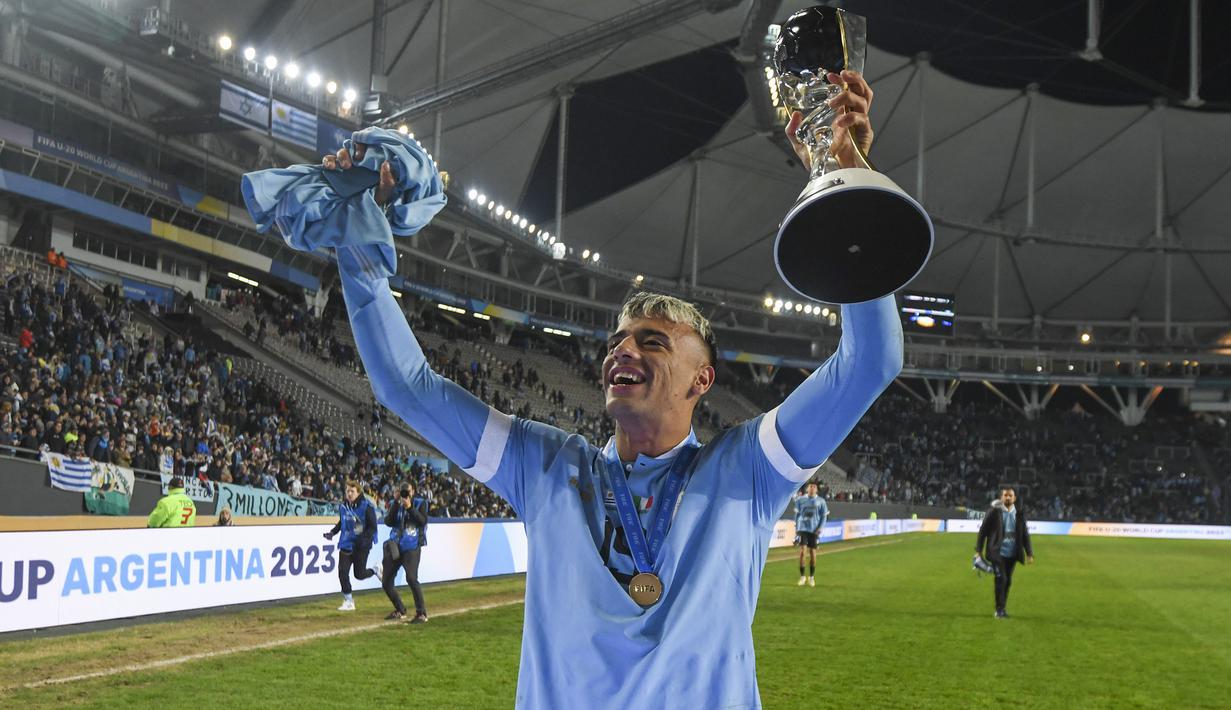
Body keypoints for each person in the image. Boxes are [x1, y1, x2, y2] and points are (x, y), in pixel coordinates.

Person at [320, 69, 892, 707]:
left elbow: (869, 360)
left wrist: (847, 179)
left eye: (653, 342)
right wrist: (358, 250)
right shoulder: (546, 467)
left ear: (702, 380)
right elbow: (407, 386)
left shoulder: (745, 470)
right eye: (618, 342)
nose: (624, 349)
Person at [975, 487, 1035, 618]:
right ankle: (999, 610)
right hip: (997, 553)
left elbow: (1025, 534)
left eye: (1010, 495)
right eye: (1005, 495)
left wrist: (1029, 553)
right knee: (1001, 578)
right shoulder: (993, 512)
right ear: (1001, 498)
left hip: (1012, 554)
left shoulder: (1019, 514)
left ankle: (1002, 608)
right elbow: (983, 531)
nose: (1008, 497)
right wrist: (978, 550)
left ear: (1014, 498)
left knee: (1008, 581)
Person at [324, 480, 382, 611]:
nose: (349, 494)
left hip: (361, 545)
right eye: (347, 491)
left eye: (352, 491)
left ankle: (375, 570)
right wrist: (332, 532)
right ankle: (348, 601)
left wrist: (364, 539)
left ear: (358, 492)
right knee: (342, 572)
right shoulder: (344, 506)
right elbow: (342, 521)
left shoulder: (367, 506)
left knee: (359, 574)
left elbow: (373, 527)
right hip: (346, 543)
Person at [381, 484, 429, 623]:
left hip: (412, 547)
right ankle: (400, 610)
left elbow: (422, 521)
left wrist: (409, 507)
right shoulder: (394, 504)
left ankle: (421, 613)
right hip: (395, 546)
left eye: (406, 491)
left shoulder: (420, 503)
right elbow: (388, 522)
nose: (403, 494)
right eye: (399, 491)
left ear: (412, 491)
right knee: (386, 581)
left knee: (411, 578)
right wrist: (396, 503)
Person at [794, 482, 829, 587]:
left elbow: (824, 516)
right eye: (810, 486)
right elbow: (797, 515)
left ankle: (812, 577)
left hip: (814, 530)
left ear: (817, 490)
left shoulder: (821, 501)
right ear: (807, 489)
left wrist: (820, 528)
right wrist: (796, 528)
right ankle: (802, 577)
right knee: (802, 553)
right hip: (802, 529)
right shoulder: (800, 500)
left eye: (814, 487)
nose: (812, 488)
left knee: (813, 555)